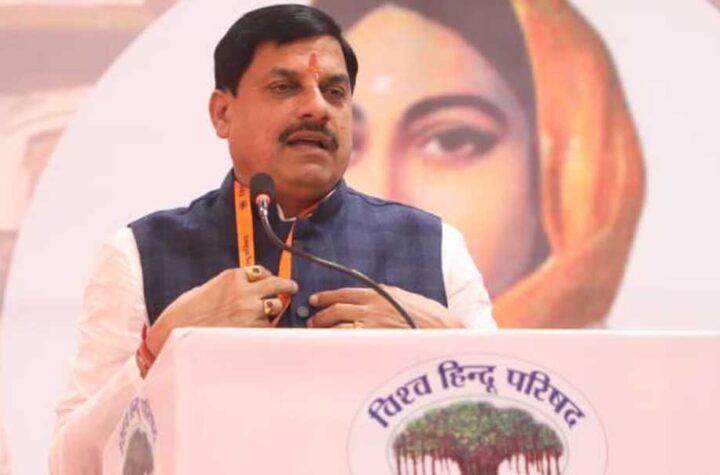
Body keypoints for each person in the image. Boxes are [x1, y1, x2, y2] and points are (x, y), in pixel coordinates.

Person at [49, 5, 494, 473]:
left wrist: (449, 347)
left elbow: (513, 432)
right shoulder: (141, 253)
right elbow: (70, 463)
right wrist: (156, 353)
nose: (317, 108)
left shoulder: (434, 247)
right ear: (223, 113)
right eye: (284, 87)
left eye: (334, 92)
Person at [316, 0, 646, 328]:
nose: (381, 194)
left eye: (450, 141)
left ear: (562, 173)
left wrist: (452, 343)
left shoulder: (624, 363)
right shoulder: (292, 326)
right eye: (340, 142)